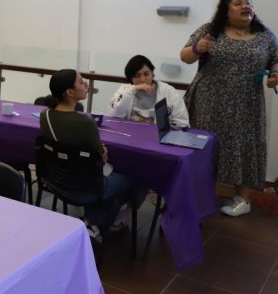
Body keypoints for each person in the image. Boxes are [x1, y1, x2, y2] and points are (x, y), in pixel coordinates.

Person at [180, 0, 278, 217]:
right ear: (226, 10)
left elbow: (275, 60)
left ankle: (243, 199)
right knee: (207, 146)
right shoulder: (209, 30)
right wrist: (197, 48)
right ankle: (201, 194)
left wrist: (275, 74)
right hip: (210, 101)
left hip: (248, 103)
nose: (246, 6)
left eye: (248, 3)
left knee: (244, 145)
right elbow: (185, 56)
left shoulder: (265, 35)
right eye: (238, 3)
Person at [40, 69, 137, 231]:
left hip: (57, 182)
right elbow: (101, 159)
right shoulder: (85, 122)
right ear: (70, 92)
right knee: (137, 177)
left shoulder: (45, 116)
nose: (86, 84)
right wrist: (102, 152)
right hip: (87, 187)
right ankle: (102, 222)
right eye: (81, 82)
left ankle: (93, 221)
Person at [109, 55, 189, 127]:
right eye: (137, 76)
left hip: (158, 137)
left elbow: (182, 123)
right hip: (129, 134)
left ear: (152, 73)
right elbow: (114, 116)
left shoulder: (168, 91)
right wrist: (133, 89)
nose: (143, 79)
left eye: (146, 74)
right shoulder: (124, 90)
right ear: (130, 78)